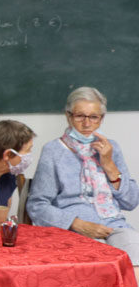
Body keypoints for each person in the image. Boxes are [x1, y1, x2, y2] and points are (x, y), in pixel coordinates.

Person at [27, 86, 139, 263]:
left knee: (135, 256)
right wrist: (77, 224)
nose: (87, 124)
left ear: (101, 119)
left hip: (114, 225)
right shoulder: (54, 150)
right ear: (68, 116)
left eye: (93, 117)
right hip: (74, 229)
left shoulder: (111, 148)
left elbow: (131, 201)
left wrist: (109, 164)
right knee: (100, 264)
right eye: (80, 116)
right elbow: (37, 205)